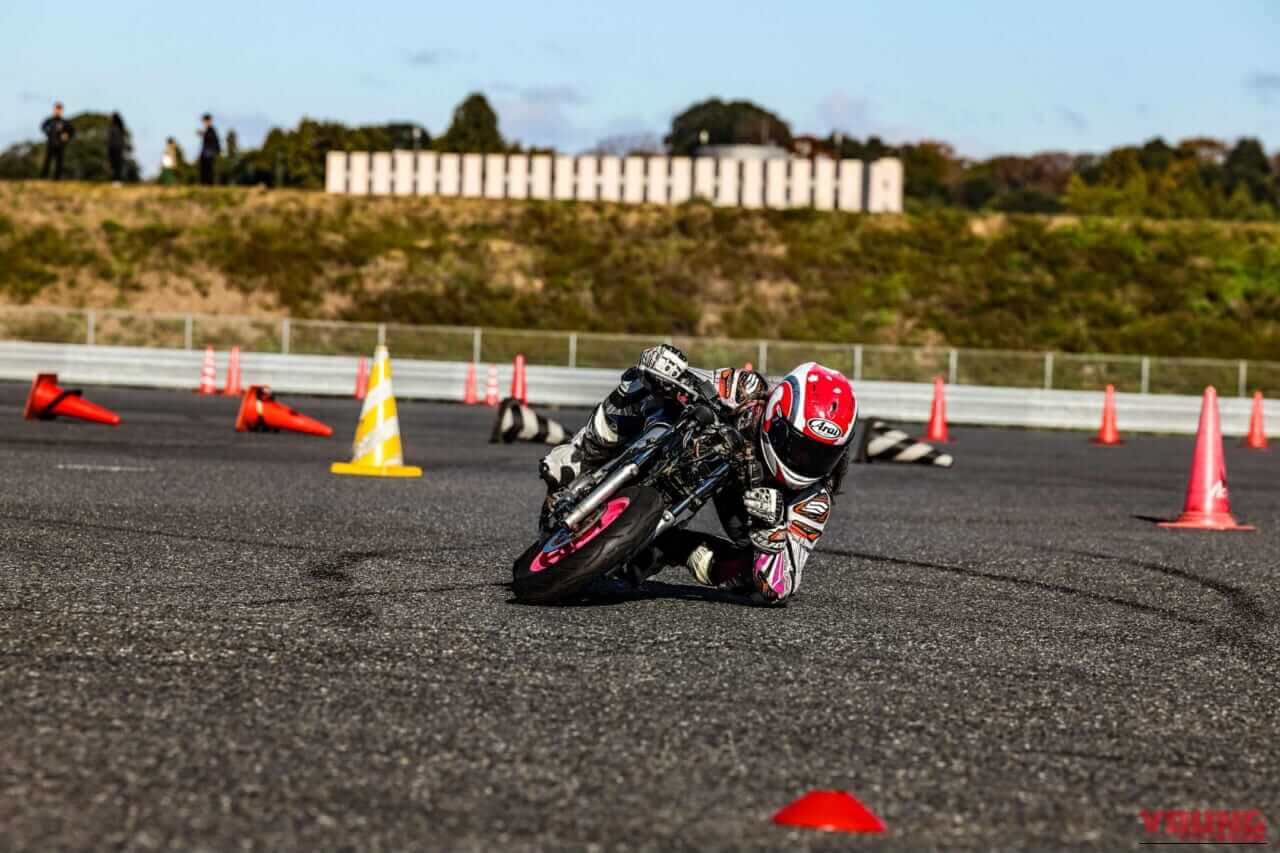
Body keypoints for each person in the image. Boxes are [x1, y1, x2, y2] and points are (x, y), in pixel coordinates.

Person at [539, 345, 856, 604]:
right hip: (708, 448)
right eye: (800, 448)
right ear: (775, 417)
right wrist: (665, 365)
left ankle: (665, 547)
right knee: (641, 383)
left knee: (754, 581)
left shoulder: (814, 499)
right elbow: (686, 380)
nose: (807, 462)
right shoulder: (746, 389)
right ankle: (577, 456)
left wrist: (770, 533)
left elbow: (781, 586)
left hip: (748, 510)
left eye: (821, 455)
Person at [40, 102, 75, 180]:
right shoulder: (49, 120)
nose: (58, 111)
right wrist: (48, 133)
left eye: (59, 109)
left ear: (62, 111)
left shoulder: (65, 122)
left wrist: (67, 136)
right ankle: (43, 178)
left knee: (59, 163)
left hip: (61, 145)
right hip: (51, 144)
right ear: (54, 110)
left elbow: (72, 132)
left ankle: (57, 179)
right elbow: (43, 127)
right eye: (56, 109)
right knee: (47, 162)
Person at [198, 114, 220, 185]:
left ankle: (208, 184)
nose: (204, 123)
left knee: (208, 170)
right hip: (206, 152)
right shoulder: (208, 130)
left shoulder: (211, 130)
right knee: (205, 170)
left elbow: (214, 140)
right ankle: (205, 183)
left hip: (209, 153)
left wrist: (203, 134)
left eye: (204, 121)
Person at [107, 112, 127, 184]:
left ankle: (117, 180)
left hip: (116, 149)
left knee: (117, 166)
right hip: (116, 149)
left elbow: (111, 140)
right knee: (115, 166)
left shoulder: (115, 128)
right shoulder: (119, 128)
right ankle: (115, 180)